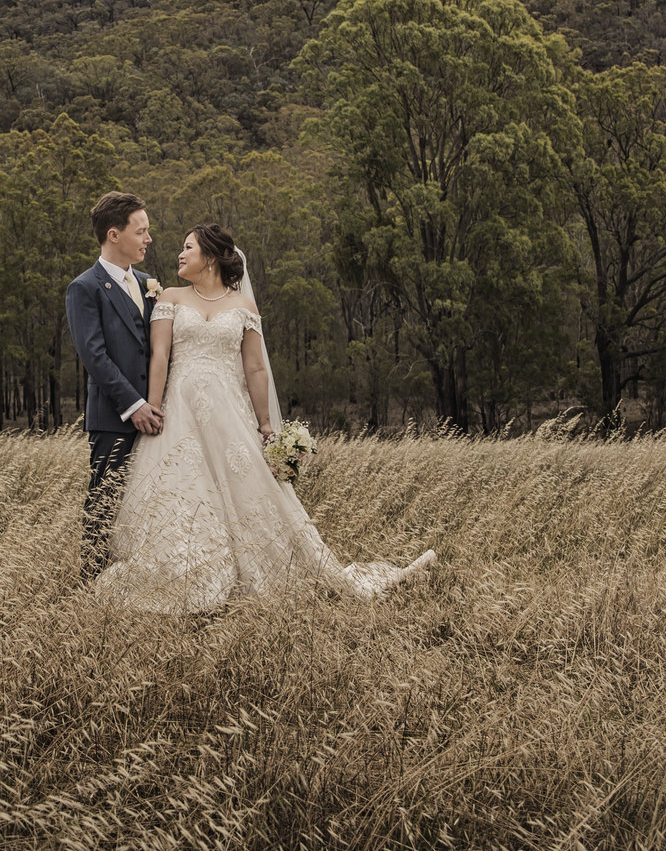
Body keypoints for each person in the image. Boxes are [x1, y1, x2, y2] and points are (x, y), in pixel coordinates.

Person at [94, 223, 435, 613]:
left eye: (188, 248)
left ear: (210, 256)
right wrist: (153, 407)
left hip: (229, 414)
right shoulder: (169, 297)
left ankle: (264, 569)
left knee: (248, 494)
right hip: (180, 411)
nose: (180, 254)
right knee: (182, 491)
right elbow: (159, 357)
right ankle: (187, 570)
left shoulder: (244, 306)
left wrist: (266, 425)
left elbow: (256, 370)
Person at [63, 191, 164, 582]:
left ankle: (140, 575)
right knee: (105, 499)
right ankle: (91, 579)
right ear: (114, 234)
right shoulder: (84, 288)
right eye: (141, 231)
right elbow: (94, 357)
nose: (148, 239)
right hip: (114, 417)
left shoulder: (149, 283)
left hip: (156, 414)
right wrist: (134, 404)